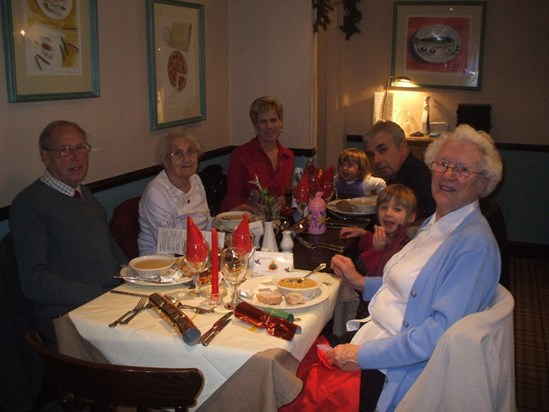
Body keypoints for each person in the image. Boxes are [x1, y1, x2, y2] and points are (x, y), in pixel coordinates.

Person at [283, 124, 503, 412]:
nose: (448, 175)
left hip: (398, 368)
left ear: (483, 183)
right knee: (294, 345)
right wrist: (362, 282)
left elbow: (437, 337)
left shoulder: (474, 245)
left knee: (296, 382)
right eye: (443, 164)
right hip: (375, 335)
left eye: (462, 169)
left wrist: (363, 356)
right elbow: (410, 287)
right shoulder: (436, 224)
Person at [9, 120, 127, 346]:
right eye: (65, 150)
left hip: (107, 302)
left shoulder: (84, 194)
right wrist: (96, 296)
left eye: (81, 147)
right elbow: (34, 280)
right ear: (45, 156)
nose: (76, 156)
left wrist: (128, 272)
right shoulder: (29, 205)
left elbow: (108, 242)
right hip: (68, 317)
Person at [339, 184, 417, 319]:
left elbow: (378, 275)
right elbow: (384, 243)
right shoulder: (393, 236)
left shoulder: (405, 246)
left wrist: (377, 250)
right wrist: (364, 234)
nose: (388, 213)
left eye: (397, 209)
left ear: (411, 217)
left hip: (378, 308)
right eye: (384, 207)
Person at [138, 132, 212, 256]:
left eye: (190, 151)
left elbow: (206, 221)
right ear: (166, 161)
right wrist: (214, 244)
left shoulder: (195, 179)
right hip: (162, 263)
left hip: (199, 254)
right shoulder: (156, 192)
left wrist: (226, 223)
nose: (187, 159)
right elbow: (171, 244)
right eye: (177, 153)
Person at [220, 96, 294, 212]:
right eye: (263, 121)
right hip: (246, 221)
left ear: (281, 123)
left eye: (273, 120)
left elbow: (284, 199)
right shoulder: (240, 155)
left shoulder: (288, 156)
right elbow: (235, 202)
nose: (269, 126)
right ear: (255, 125)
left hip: (277, 221)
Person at [363, 120, 435, 222]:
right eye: (371, 155)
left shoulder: (419, 180)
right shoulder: (397, 175)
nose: (376, 160)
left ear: (403, 148)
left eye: (382, 150)